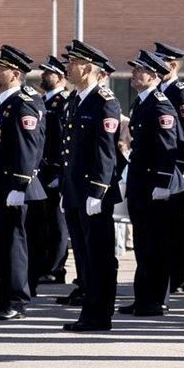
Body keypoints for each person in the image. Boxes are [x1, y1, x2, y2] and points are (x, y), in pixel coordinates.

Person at [0, 45, 46, 320]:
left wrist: (19, 186)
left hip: (10, 187)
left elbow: (28, 148)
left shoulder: (24, 103)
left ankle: (16, 300)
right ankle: (2, 296)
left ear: (15, 73)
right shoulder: (2, 102)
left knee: (12, 244)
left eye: (0, 68)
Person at [60, 40, 123, 332]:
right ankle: (89, 310)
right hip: (76, 191)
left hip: (93, 192)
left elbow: (105, 151)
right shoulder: (76, 100)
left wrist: (98, 190)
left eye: (73, 62)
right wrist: (66, 190)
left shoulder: (104, 101)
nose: (67, 67)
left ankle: (100, 314)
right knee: (84, 255)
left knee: (98, 256)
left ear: (88, 68)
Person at [120, 49, 184, 317]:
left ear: (155, 76)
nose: (135, 74)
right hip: (141, 182)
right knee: (143, 244)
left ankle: (157, 299)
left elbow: (168, 148)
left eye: (141, 70)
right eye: (135, 69)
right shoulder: (142, 103)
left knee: (156, 245)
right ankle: (143, 296)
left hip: (155, 186)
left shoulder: (160, 105)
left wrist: (162, 182)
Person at [151, 41, 184, 295]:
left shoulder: (181, 92)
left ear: (171, 65)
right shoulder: (159, 91)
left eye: (160, 63)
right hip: (160, 168)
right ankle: (167, 273)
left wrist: (176, 171)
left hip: (174, 170)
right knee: (164, 228)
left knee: (176, 228)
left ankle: (178, 276)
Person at [30, 56, 70, 288]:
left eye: (48, 73)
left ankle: (56, 268)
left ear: (60, 77)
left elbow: (63, 138)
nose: (43, 76)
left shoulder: (63, 101)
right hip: (42, 169)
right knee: (41, 221)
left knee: (56, 222)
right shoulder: (43, 101)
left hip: (55, 169)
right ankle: (43, 265)